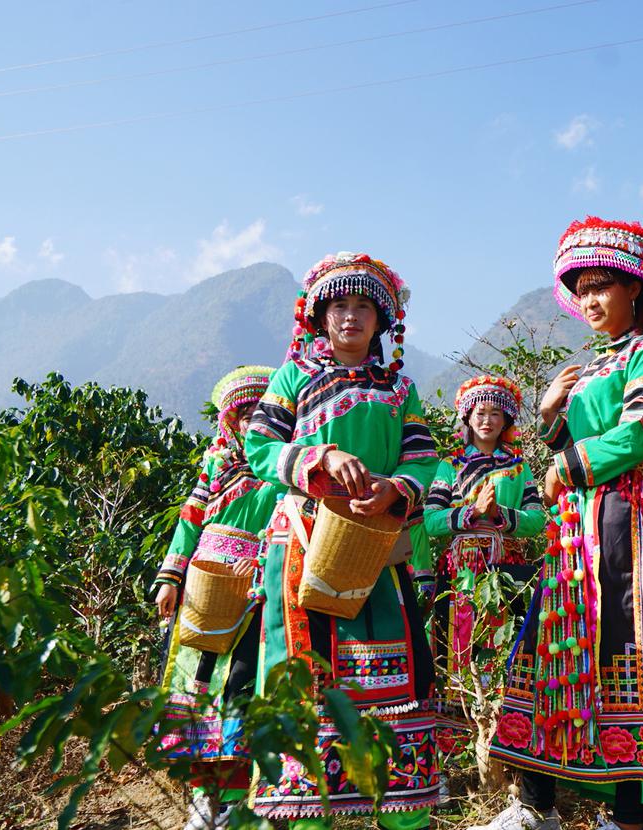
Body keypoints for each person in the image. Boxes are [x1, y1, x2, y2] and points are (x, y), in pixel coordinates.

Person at [480, 217, 643, 830]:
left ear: (638, 291)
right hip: (575, 525)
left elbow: (637, 434)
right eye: (583, 288)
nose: (590, 299)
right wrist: (550, 417)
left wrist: (566, 462)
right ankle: (537, 805)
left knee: (624, 649)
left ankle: (628, 817)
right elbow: (577, 442)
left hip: (624, 517)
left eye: (603, 285)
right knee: (555, 650)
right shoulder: (592, 366)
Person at [244, 252, 440, 827]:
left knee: (401, 673)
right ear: (320, 317)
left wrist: (395, 488)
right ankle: (306, 812)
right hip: (304, 546)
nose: (350, 316)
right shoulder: (294, 378)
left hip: (377, 548)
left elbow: (424, 458)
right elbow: (259, 447)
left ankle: (402, 811)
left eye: (362, 307)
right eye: (339, 306)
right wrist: (320, 456)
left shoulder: (401, 389)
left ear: (382, 322)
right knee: (307, 683)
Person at [151, 365, 280, 830]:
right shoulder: (216, 463)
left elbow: (292, 524)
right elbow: (190, 521)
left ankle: (235, 800)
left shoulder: (285, 470)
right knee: (197, 690)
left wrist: (266, 561)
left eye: (259, 415)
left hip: (255, 593)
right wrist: (171, 577)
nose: (250, 425)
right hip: (204, 589)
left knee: (239, 692)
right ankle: (204, 798)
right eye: (243, 416)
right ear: (231, 421)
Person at [423, 375, 546, 774]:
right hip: (460, 572)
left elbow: (536, 520)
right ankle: (455, 759)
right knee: (458, 651)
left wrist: (498, 517)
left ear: (507, 418)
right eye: (480, 412)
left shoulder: (519, 467)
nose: (487, 420)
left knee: (500, 648)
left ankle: (503, 753)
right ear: (467, 417)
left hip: (505, 569)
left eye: (495, 413)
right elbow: (430, 520)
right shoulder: (450, 465)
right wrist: (469, 513)